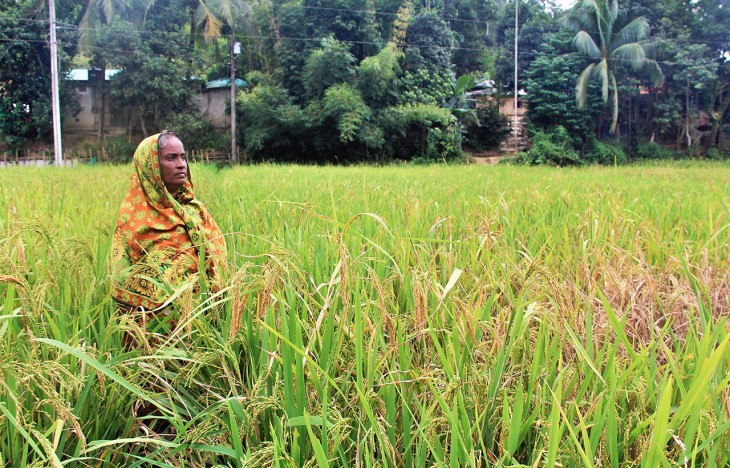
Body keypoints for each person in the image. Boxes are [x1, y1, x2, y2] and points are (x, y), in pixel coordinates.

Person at [111, 131, 227, 311]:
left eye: (183, 157)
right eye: (171, 158)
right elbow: (122, 276)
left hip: (202, 317)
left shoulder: (196, 211)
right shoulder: (133, 218)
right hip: (153, 326)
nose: (181, 165)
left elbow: (218, 259)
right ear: (151, 166)